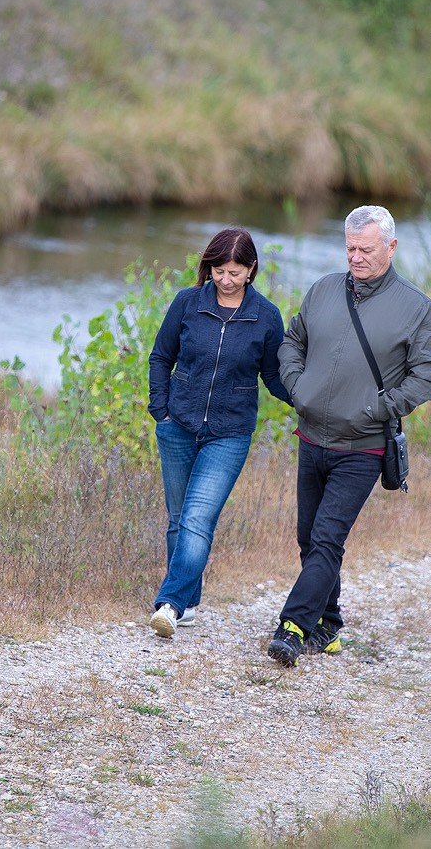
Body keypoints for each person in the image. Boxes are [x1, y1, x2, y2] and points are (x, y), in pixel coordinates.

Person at [267, 205, 431, 666]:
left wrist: (377, 409)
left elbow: (427, 378)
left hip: (362, 446)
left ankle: (292, 627)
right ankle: (328, 625)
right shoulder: (324, 289)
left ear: (391, 247)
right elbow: (292, 341)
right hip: (311, 437)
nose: (356, 257)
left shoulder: (416, 307)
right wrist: (297, 386)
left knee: (327, 538)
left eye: (366, 249)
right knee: (309, 538)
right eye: (350, 248)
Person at [147, 227, 293, 637]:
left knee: (197, 518)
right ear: (208, 267)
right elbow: (161, 357)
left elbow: (274, 376)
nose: (225, 280)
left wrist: (308, 402)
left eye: (234, 272)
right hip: (178, 426)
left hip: (228, 434)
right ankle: (189, 603)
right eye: (218, 271)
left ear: (251, 270)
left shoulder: (265, 316)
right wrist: (161, 411)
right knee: (178, 519)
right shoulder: (187, 303)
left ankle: (169, 605)